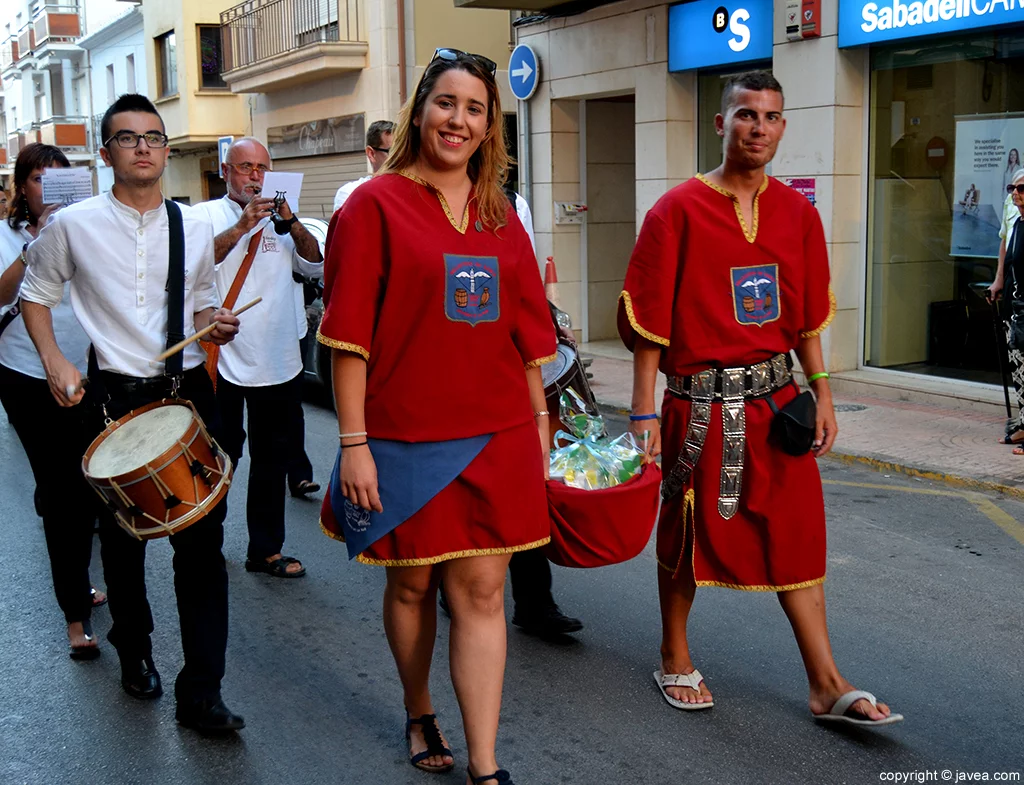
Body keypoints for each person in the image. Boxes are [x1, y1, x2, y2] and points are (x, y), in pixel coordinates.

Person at [619, 71, 901, 727]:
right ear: (721, 123)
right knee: (687, 535)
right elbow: (649, 323)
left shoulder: (798, 215)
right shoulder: (676, 211)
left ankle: (826, 681)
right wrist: (640, 412)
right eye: (747, 114)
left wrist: (823, 394)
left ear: (782, 126)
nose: (760, 128)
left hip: (778, 408)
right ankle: (674, 652)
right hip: (697, 408)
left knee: (797, 533)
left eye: (773, 117)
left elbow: (804, 319)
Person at [317, 48, 554, 784]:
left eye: (475, 108)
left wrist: (541, 420)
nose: (459, 119)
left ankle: (485, 763)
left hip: (499, 432)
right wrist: (353, 444)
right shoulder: (371, 206)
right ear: (421, 109)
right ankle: (419, 706)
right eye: (446, 103)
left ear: (490, 127)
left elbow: (525, 333)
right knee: (413, 584)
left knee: (483, 591)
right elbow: (348, 337)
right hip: (401, 435)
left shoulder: (502, 212)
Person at [20, 94, 245, 734]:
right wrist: (56, 363)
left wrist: (214, 325)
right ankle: (134, 644)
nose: (143, 146)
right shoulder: (73, 225)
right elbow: (37, 295)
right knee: (122, 542)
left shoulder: (195, 225)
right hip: (111, 397)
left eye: (153, 136)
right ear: (106, 152)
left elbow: (201, 302)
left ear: (167, 149)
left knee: (201, 544)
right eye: (128, 138)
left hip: (185, 394)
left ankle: (202, 691)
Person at [194, 137, 323, 579]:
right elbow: (194, 266)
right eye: (244, 167)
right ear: (226, 172)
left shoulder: (288, 220)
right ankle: (206, 544)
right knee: (220, 458)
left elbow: (316, 264)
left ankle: (265, 550)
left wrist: (291, 224)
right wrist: (242, 227)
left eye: (262, 168)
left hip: (280, 359)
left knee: (272, 460)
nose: (254, 175)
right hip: (222, 359)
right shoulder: (203, 216)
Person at [0, 143, 104, 660]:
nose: (50, 191)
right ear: (23, 187)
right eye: (41, 180)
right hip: (26, 375)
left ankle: (80, 579)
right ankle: (75, 615)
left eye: (62, 182)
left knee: (91, 488)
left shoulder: (87, 228)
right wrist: (34, 246)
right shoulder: (8, 234)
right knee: (63, 492)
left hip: (90, 371)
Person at [988, 169, 1024, 446]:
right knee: (1018, 365)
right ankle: (1023, 423)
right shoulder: (1018, 221)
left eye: (1021, 189)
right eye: (1013, 188)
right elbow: (1006, 249)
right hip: (1015, 300)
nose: (1015, 193)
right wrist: (999, 280)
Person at [332, 120, 394, 213]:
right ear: (371, 154)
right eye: (392, 152)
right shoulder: (349, 194)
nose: (400, 159)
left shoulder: (413, 192)